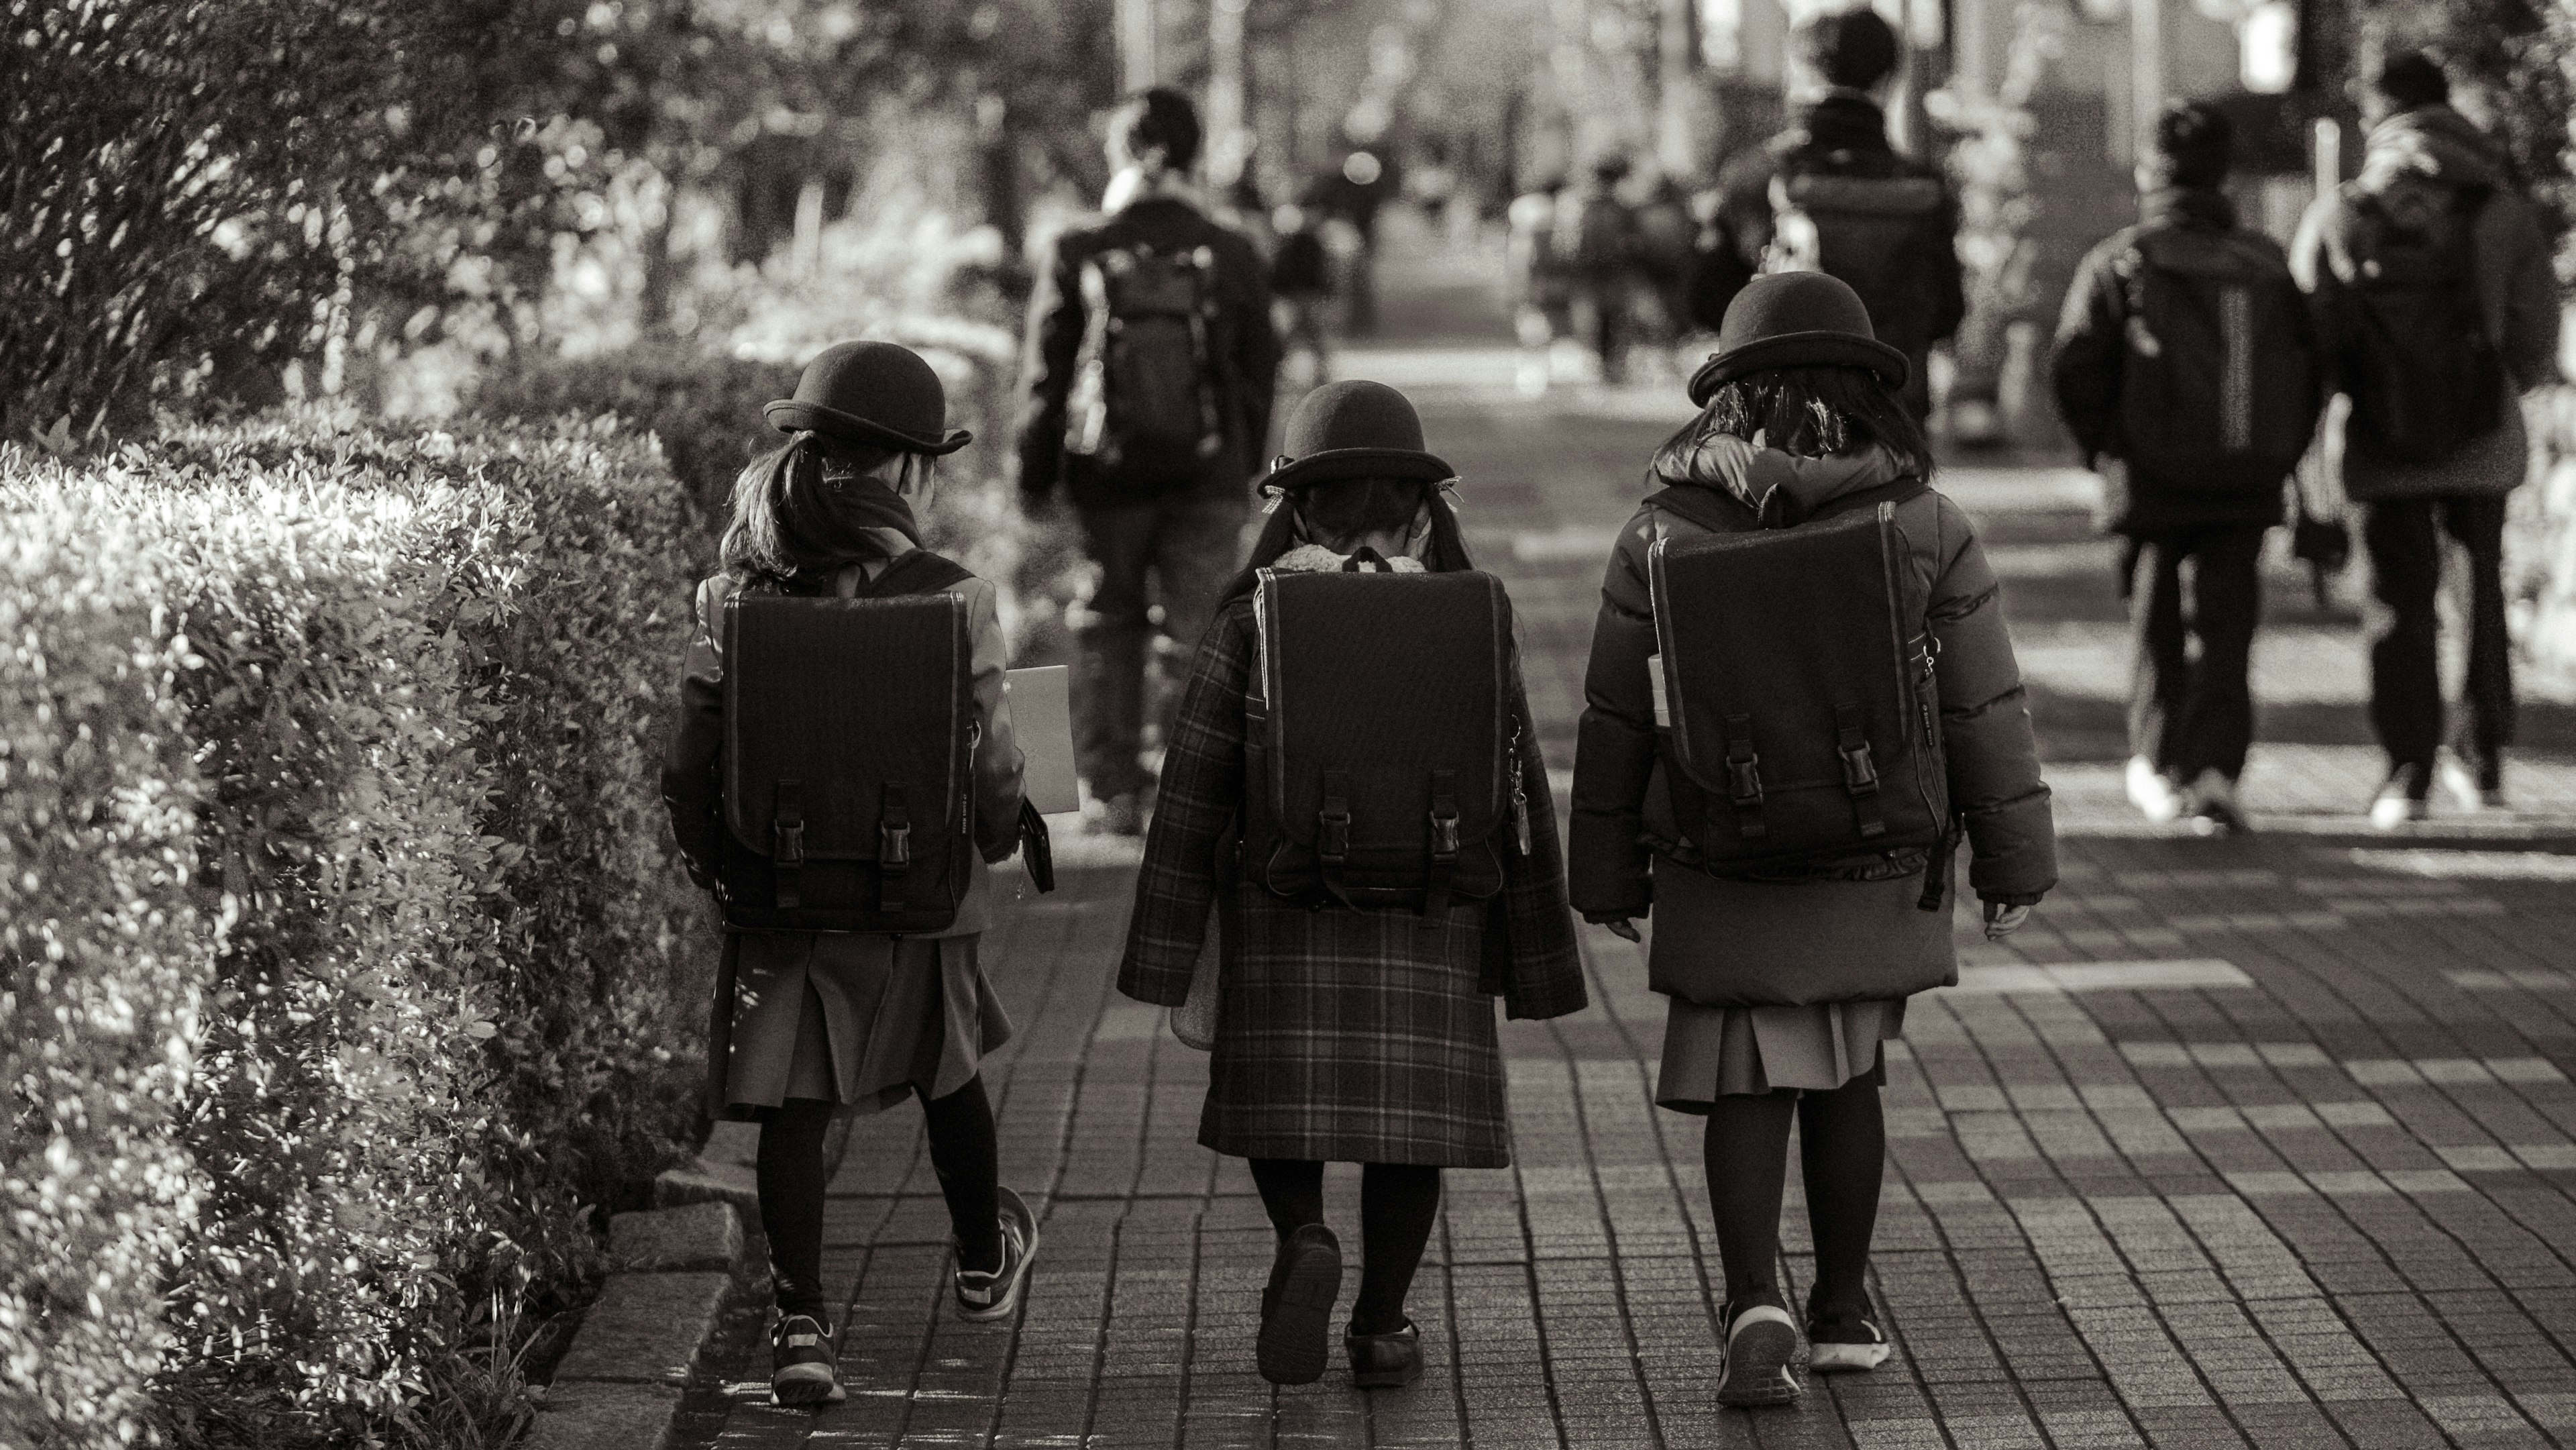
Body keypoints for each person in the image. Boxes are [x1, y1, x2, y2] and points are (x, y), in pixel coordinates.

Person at [1570, 274, 2055, 1406]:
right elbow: (1984, 707)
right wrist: (2015, 859)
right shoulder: (1921, 521)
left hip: (1713, 839)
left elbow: (1614, 716)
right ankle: (1843, 1310)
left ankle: (1753, 1298)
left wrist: (1604, 866)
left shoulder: (1660, 529)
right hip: (1873, 841)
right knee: (1850, 1070)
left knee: (1746, 1073)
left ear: (1725, 398)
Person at [1118, 380, 1587, 1390]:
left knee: (1283, 1110)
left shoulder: (1254, 613)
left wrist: (1164, 947)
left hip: (1282, 903)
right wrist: (1537, 943)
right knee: (1406, 1131)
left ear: (1294, 508)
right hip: (1438, 907)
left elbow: (1194, 779)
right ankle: (1381, 1324)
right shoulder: (1473, 611)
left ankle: (1305, 1236)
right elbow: (1519, 785)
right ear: (1421, 510)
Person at [661, 342, 1040, 1406]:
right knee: (950, 1072)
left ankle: (800, 1323)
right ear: (914, 474)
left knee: (793, 1105)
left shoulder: (730, 600)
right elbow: (1000, 763)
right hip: (922, 893)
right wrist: (1000, 837)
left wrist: (717, 865)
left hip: (781, 893)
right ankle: (979, 1260)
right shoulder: (956, 600)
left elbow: (688, 760)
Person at [2292, 52, 2560, 826]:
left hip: (2380, 444)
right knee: (2479, 598)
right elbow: (2537, 340)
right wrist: (2484, 387)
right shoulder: (2500, 211)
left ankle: (2406, 773)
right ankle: (2483, 762)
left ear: (2376, 116)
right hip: (2481, 443)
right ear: (2449, 111)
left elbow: (2312, 338)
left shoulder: (2344, 212)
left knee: (2396, 606)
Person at [1016, 87, 1283, 836]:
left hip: (1107, 476)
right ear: (1195, 156)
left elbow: (1046, 375)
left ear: (1119, 153)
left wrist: (1035, 479)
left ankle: (1110, 790)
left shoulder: (1078, 248)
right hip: (1210, 475)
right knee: (1198, 627)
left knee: (1109, 622)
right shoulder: (1230, 251)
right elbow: (1261, 368)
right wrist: (1248, 466)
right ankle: (1190, 787)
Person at [2052, 101, 2324, 832]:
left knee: (2156, 619)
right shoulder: (2266, 265)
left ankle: (2156, 762)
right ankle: (2215, 771)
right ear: (2224, 175)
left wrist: (2106, 449)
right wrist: (2280, 452)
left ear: (2149, 170)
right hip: (2245, 475)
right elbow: (2311, 369)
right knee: (2229, 625)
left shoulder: (2120, 259)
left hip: (2149, 477)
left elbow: (2075, 368)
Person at [1709, 7, 1964, 418]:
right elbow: (1948, 314)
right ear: (1888, 81)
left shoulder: (1754, 176)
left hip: (1782, 417)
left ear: (1802, 73)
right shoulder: (1924, 187)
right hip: (1895, 418)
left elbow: (1708, 301)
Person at [1564, 154, 1640, 382]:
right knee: (1613, 320)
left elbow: (1573, 246)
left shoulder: (1585, 209)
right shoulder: (1621, 210)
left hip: (1593, 275)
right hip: (1613, 274)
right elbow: (1633, 243)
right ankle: (1611, 366)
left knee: (1598, 321)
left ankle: (1601, 365)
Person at [1270, 203, 1334, 386]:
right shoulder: (1300, 243)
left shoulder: (1302, 244)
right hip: (1298, 297)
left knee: (1305, 337)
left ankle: (1320, 374)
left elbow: (1291, 271)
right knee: (1293, 338)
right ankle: (1316, 373)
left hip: (1302, 297)